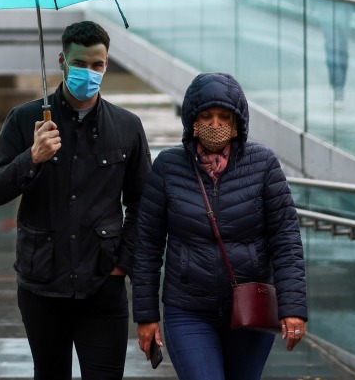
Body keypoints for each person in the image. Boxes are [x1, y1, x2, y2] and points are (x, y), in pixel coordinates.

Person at [0, 20, 151, 380]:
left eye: (97, 65)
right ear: (62, 60)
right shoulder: (25, 119)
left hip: (102, 285)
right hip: (41, 285)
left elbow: (142, 204)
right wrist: (32, 157)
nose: (88, 72)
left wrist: (122, 263)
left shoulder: (127, 126)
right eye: (79, 63)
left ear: (106, 65)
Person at [132, 72, 308, 380]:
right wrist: (146, 315)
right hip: (187, 310)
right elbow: (147, 244)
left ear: (238, 120)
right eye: (207, 115)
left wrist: (293, 307)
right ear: (192, 119)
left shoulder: (263, 164)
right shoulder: (168, 167)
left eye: (224, 116)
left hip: (250, 310)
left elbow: (286, 239)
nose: (216, 124)